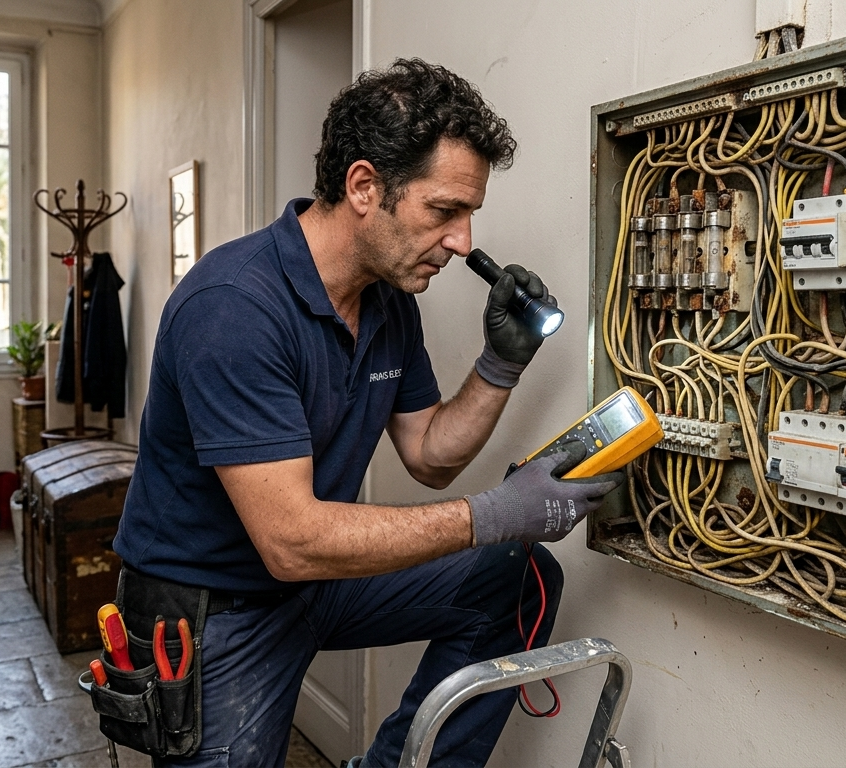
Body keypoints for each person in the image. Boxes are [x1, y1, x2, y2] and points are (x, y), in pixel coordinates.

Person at [112, 58, 624, 767]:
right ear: (363, 186)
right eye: (443, 211)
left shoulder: (387, 302)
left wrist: (501, 364)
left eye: (469, 216)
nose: (462, 242)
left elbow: (431, 455)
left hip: (311, 583)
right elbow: (291, 541)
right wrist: (495, 513)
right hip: (213, 609)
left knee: (517, 578)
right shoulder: (233, 307)